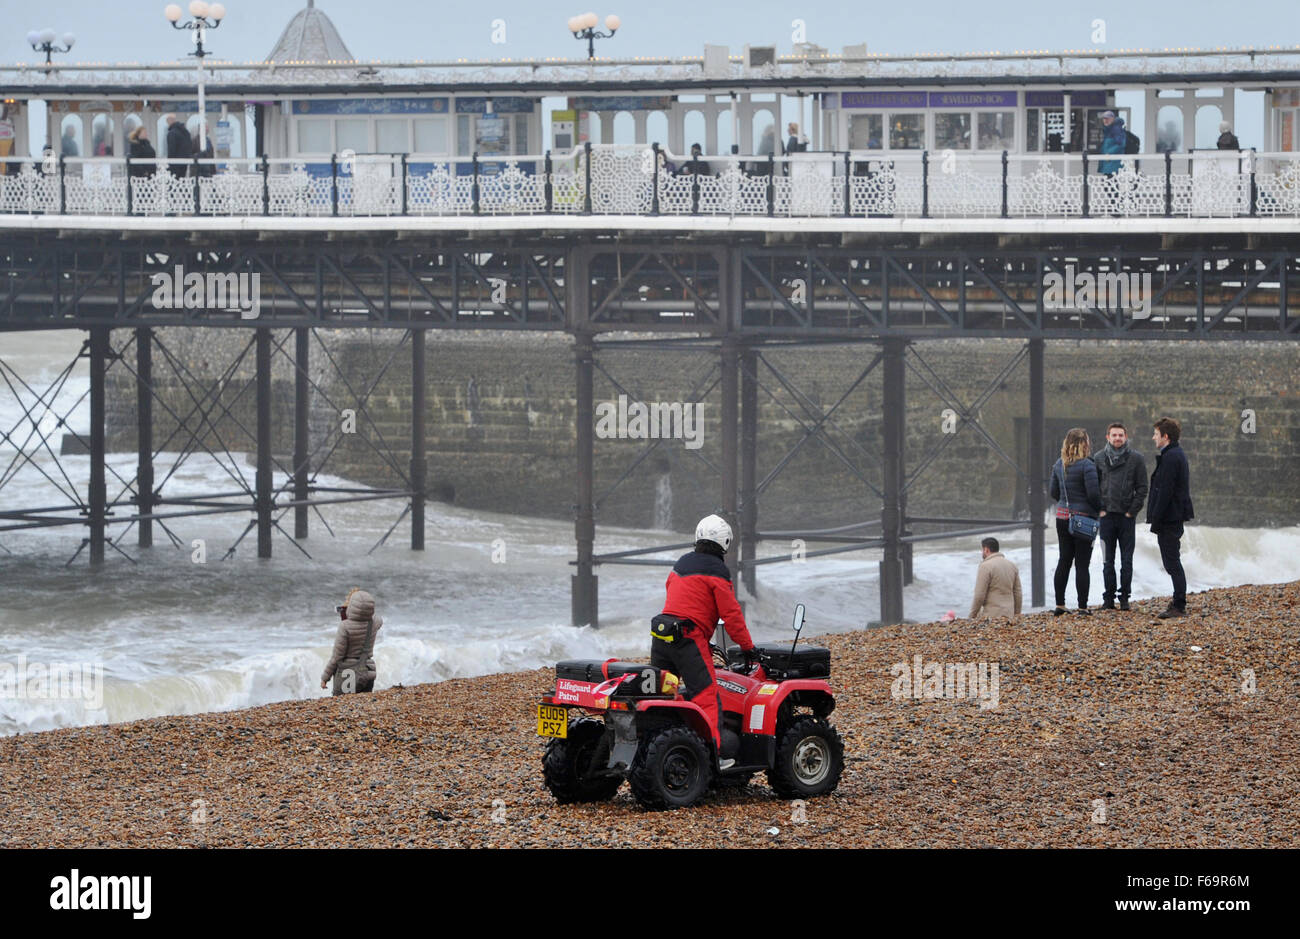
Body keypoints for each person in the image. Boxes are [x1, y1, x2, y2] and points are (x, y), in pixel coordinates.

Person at [649, 514, 756, 770]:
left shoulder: (681, 563)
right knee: (706, 696)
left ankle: (656, 746)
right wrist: (748, 647)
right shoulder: (718, 571)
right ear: (725, 542)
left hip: (662, 636)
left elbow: (677, 598)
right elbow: (731, 616)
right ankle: (714, 757)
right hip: (688, 638)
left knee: (662, 695)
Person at [1095, 422, 1148, 611]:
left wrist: (1131, 511)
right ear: (1107, 437)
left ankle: (1124, 597)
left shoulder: (1136, 459)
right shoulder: (1099, 458)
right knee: (1107, 561)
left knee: (1127, 560)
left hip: (1126, 518)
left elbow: (1142, 488)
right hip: (1106, 518)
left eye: (1121, 435)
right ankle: (1108, 598)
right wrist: (1100, 509)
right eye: (1114, 435)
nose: (1117, 438)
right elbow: (1094, 486)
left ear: (1126, 437)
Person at [1049, 427, 1102, 615]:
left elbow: (1053, 493)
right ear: (1084, 444)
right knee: (1081, 564)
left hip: (1063, 518)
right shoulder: (1087, 465)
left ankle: (1060, 605)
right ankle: (1082, 607)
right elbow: (1093, 494)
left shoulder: (1058, 464)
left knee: (1064, 560)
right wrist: (1100, 509)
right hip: (1083, 520)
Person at [1147, 417, 1194, 619]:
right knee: (1172, 561)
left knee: (1172, 562)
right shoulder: (1174, 454)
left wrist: (1156, 519)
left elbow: (1165, 491)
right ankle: (1178, 601)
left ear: (1165, 436)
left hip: (1170, 517)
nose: (1153, 437)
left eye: (1156, 434)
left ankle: (1179, 604)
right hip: (1173, 516)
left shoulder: (1172, 457)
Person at [321, 588, 383, 695]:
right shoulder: (375, 622)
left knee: (344, 707)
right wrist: (365, 610)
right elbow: (373, 616)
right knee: (363, 706)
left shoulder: (345, 626)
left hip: (348, 675)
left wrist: (325, 678)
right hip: (368, 673)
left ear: (351, 607)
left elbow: (337, 657)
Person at [967, 537, 1022, 620]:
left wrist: (972, 616)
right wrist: (1017, 614)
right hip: (1009, 615)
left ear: (986, 549)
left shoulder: (985, 566)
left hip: (991, 615)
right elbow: (1018, 593)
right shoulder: (1012, 565)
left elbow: (979, 595)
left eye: (982, 550)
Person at [164, 114, 191, 179]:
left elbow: (171, 149)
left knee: (175, 182)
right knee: (182, 181)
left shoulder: (172, 133)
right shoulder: (185, 131)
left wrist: (170, 163)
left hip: (175, 163)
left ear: (169, 121)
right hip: (184, 162)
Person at [1098, 110, 1125, 176]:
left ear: (1113, 119)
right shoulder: (1108, 129)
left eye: (1107, 118)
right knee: (1107, 183)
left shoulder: (1116, 129)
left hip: (1113, 163)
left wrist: (1109, 153)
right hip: (1108, 163)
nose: (1105, 120)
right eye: (1104, 118)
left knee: (1110, 182)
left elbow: (1121, 144)